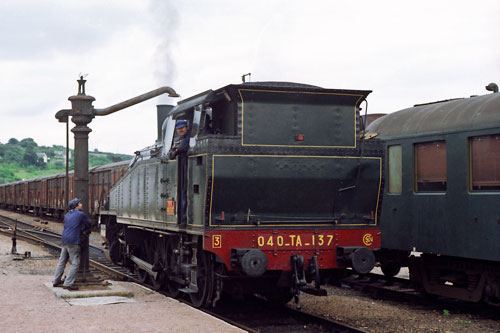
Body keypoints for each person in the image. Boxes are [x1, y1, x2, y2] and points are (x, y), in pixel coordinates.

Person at [52, 198, 91, 290]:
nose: (81, 204)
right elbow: (88, 224)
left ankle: (56, 281)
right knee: (75, 263)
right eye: (80, 203)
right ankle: (68, 283)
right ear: (76, 205)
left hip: (65, 239)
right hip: (74, 241)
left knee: (62, 261)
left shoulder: (67, 215)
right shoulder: (80, 214)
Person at [168, 120, 190, 223]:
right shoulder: (183, 139)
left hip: (188, 168)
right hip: (185, 167)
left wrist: (175, 152)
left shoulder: (187, 138)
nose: (181, 130)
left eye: (182, 127)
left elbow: (182, 148)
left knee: (185, 191)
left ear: (187, 127)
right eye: (179, 128)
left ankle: (184, 217)